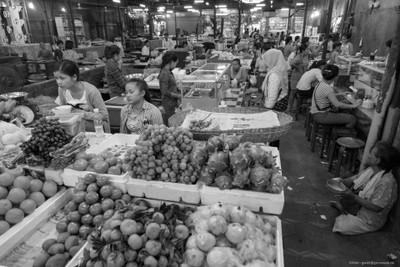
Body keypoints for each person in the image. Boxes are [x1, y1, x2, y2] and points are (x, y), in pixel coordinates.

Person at [330, 141, 400, 235]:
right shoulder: (371, 170)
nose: (368, 155)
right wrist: (341, 182)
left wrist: (353, 196)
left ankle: (343, 213)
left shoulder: (387, 182)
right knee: (347, 194)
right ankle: (346, 212)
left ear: (377, 160)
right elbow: (354, 179)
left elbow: (376, 207)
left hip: (370, 219)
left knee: (342, 227)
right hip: (360, 208)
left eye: (371, 153)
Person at [54, 60, 110, 132]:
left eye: (62, 78)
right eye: (56, 78)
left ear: (74, 77)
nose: (58, 82)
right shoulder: (62, 90)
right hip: (73, 131)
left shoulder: (91, 92)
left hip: (94, 131)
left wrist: (83, 114)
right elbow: (63, 112)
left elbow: (105, 116)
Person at [158, 53, 181, 124]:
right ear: (171, 62)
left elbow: (170, 86)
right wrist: (178, 96)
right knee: (171, 123)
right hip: (168, 103)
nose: (175, 66)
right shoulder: (165, 73)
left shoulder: (168, 72)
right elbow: (164, 91)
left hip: (172, 103)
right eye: (175, 63)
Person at [287, 44, 309, 111]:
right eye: (307, 49)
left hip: (300, 77)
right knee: (293, 92)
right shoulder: (298, 57)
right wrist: (298, 68)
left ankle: (295, 107)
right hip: (296, 77)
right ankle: (290, 107)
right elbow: (291, 63)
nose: (308, 51)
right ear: (303, 50)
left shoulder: (304, 57)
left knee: (296, 92)